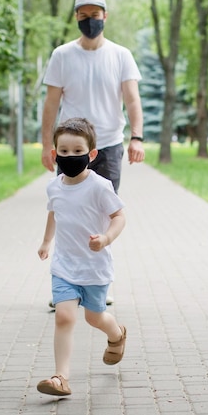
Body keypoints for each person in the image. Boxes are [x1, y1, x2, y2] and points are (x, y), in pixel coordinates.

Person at [37, 118, 127, 397]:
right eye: (63, 152)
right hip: (64, 266)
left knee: (94, 317)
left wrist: (106, 238)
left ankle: (117, 335)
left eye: (78, 151)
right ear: (55, 154)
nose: (70, 157)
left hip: (94, 267)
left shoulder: (100, 186)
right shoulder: (54, 187)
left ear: (91, 154)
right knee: (64, 317)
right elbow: (54, 212)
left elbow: (119, 216)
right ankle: (60, 377)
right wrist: (46, 241)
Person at [41, 0, 145, 194]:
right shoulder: (61, 55)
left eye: (95, 15)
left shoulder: (121, 55)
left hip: (109, 145)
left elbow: (132, 100)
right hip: (70, 148)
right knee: (70, 208)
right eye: (84, 16)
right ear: (76, 18)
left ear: (104, 16)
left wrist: (136, 138)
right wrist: (46, 146)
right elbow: (51, 104)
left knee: (107, 212)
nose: (90, 21)